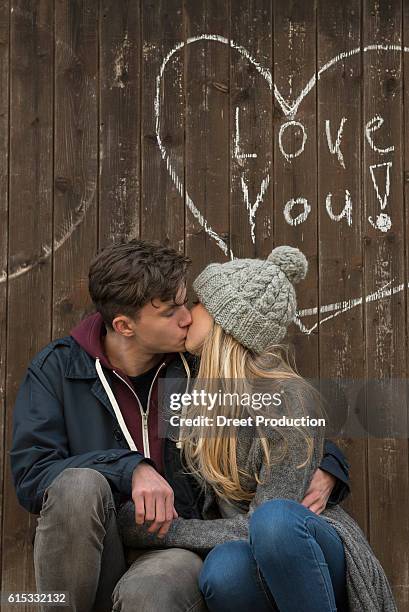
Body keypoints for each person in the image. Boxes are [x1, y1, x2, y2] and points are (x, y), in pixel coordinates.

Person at [11, 240, 350, 612]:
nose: (187, 317)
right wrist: (131, 469)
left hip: (179, 548)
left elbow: (282, 425)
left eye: (187, 303)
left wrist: (329, 464)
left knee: (151, 593)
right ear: (125, 326)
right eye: (171, 311)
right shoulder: (58, 370)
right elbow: (33, 475)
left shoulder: (196, 365)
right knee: (77, 484)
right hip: (98, 542)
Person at [118, 245, 397, 612]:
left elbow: (262, 523)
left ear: (226, 322)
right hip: (243, 550)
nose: (187, 315)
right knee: (223, 571)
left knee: (274, 520)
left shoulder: (289, 399)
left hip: (307, 543)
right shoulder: (189, 393)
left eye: (199, 303)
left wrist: (164, 531)